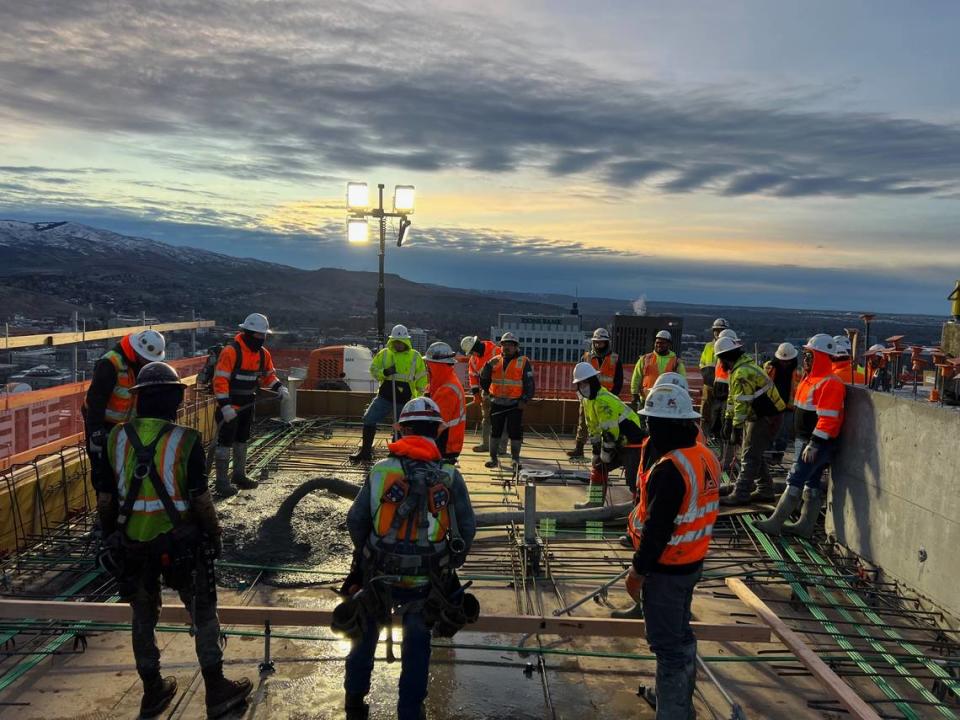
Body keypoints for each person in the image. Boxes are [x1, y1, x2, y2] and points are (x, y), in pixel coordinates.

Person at [97, 362, 251, 719]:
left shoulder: (115, 438)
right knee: (203, 613)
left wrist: (111, 539)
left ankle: (153, 691)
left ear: (140, 399)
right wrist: (214, 534)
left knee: (142, 616)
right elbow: (200, 498)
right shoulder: (185, 439)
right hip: (181, 544)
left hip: (132, 545)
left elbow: (106, 499)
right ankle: (216, 690)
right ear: (173, 399)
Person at [340, 397, 477, 720]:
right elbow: (467, 528)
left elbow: (355, 520)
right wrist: (450, 564)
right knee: (417, 642)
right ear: (438, 432)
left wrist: (367, 558)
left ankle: (354, 701)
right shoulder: (449, 476)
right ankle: (410, 712)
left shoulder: (381, 471)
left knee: (364, 630)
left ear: (401, 429)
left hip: (378, 579)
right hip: (425, 584)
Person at [623, 384, 720, 718]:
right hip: (692, 563)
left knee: (667, 649)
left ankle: (674, 712)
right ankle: (677, 704)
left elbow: (658, 533)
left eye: (652, 423)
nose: (649, 429)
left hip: (667, 570)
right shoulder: (704, 456)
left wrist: (637, 571)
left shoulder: (670, 469)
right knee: (681, 638)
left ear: (665, 425)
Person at [756, 334, 845, 538]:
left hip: (816, 443)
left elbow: (828, 419)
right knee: (811, 483)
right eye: (805, 355)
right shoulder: (808, 379)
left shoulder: (830, 383)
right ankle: (804, 526)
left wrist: (814, 443)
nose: (805, 359)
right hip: (805, 440)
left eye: (809, 355)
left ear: (821, 357)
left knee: (795, 479)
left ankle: (775, 522)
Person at [212, 313, 287, 496]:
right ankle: (221, 482)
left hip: (247, 404)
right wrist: (225, 406)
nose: (261, 339)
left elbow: (268, 376)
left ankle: (239, 475)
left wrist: (279, 386)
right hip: (229, 405)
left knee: (242, 439)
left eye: (264, 336)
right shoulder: (231, 351)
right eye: (258, 336)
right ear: (246, 333)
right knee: (225, 442)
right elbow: (220, 380)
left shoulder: (263, 354)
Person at [83, 329, 166, 492]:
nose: (147, 363)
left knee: (125, 467)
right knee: (103, 471)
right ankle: (106, 510)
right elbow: (96, 399)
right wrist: (96, 430)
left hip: (126, 425)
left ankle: (121, 507)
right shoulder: (110, 363)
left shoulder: (136, 364)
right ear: (137, 351)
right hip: (103, 423)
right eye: (146, 359)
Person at [715, 336, 786, 505]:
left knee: (749, 455)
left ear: (725, 357)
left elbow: (742, 403)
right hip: (760, 415)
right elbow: (734, 399)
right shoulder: (740, 369)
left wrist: (736, 427)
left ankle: (741, 493)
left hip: (766, 417)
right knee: (754, 453)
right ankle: (765, 490)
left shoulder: (741, 373)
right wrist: (727, 420)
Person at [350, 325, 428, 464]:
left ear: (406, 341)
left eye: (401, 341)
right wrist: (385, 372)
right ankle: (365, 451)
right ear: (392, 341)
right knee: (369, 418)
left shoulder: (415, 356)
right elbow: (373, 369)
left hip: (405, 399)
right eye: (396, 341)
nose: (398, 344)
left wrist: (419, 397)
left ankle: (395, 454)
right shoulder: (385, 354)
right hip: (385, 396)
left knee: (401, 426)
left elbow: (422, 377)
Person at [570, 362, 643, 509]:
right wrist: (597, 450)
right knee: (598, 467)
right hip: (618, 440)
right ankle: (594, 503)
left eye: (586, 382)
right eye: (580, 384)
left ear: (593, 381)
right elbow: (593, 427)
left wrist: (606, 452)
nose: (583, 386)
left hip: (632, 441)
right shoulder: (587, 401)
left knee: (633, 478)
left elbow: (611, 432)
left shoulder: (603, 400)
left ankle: (639, 508)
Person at [479, 332, 535, 470]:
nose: (507, 347)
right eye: (504, 345)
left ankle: (515, 459)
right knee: (495, 431)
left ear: (516, 347)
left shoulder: (523, 362)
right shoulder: (495, 361)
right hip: (497, 402)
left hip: (515, 404)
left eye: (510, 345)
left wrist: (525, 399)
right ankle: (493, 458)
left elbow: (529, 383)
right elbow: (484, 380)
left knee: (515, 432)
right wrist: (487, 366)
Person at [568, 328, 624, 458]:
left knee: (607, 425)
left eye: (602, 342)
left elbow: (618, 381)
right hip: (588, 397)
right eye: (596, 342)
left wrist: (613, 397)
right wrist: (581, 396)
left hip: (606, 400)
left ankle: (606, 451)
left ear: (607, 343)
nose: (599, 345)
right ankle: (579, 448)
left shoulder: (614, 359)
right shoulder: (586, 357)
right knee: (584, 423)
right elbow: (578, 378)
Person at [424, 342, 466, 463]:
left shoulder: (447, 389)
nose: (427, 366)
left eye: (428, 363)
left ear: (436, 365)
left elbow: (436, 425)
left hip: (446, 445)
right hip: (445, 443)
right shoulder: (442, 382)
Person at [460, 335, 502, 454]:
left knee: (500, 419)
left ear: (476, 346)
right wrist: (476, 395)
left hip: (500, 390)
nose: (473, 354)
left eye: (473, 351)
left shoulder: (495, 351)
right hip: (487, 392)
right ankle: (486, 444)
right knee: (487, 418)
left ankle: (501, 448)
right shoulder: (473, 359)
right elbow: (473, 377)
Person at [631, 330, 686, 410]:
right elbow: (636, 377)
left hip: (667, 402)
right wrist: (634, 394)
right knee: (644, 422)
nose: (659, 345)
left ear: (669, 344)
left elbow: (682, 382)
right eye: (657, 342)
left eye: (662, 343)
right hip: (647, 399)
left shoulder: (676, 362)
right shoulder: (645, 359)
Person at [764, 343, 801, 461]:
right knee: (769, 432)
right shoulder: (769, 367)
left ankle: (777, 457)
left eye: (787, 361)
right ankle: (767, 456)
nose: (785, 363)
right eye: (783, 361)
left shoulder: (798, 372)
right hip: (771, 406)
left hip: (788, 407)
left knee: (783, 435)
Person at [698, 318, 729, 437]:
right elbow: (702, 364)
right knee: (705, 411)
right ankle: (703, 436)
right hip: (709, 385)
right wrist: (708, 378)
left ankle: (717, 436)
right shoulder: (709, 346)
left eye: (721, 330)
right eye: (716, 330)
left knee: (720, 413)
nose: (718, 333)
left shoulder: (729, 347)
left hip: (723, 387)